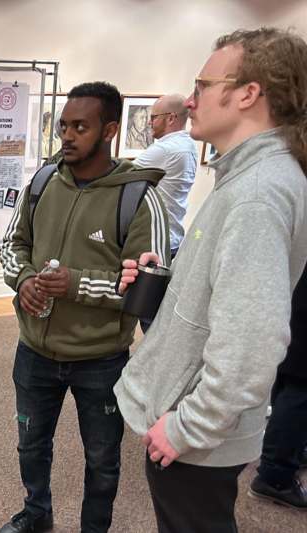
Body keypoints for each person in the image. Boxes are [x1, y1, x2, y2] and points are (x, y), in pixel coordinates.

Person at [115, 27, 307, 533]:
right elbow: (232, 292)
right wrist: (172, 275)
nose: (190, 99)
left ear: (248, 93)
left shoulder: (259, 191)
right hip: (196, 419)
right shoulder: (250, 177)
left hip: (199, 434)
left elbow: (254, 339)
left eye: (203, 83)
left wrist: (187, 427)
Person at [0, 81, 169, 533]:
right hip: (33, 351)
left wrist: (73, 284)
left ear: (110, 129)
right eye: (64, 126)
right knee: (31, 446)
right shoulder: (41, 181)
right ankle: (36, 516)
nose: (67, 136)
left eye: (81, 126)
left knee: (103, 459)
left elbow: (145, 291)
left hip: (101, 360)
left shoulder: (138, 198)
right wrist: (24, 281)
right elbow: (12, 246)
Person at [248, 267, 307, 509]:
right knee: (300, 388)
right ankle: (275, 476)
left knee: (291, 373)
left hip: (292, 291)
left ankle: (285, 450)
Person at [134, 94, 198, 259]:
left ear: (171, 118)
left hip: (157, 243)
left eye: (153, 117)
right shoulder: (188, 144)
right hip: (172, 237)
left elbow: (118, 173)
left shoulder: (166, 149)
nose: (149, 122)